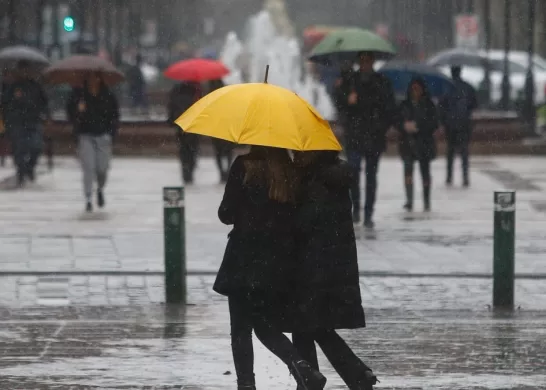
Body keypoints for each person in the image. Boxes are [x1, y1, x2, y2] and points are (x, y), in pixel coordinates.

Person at [214, 146, 327, 390]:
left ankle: (247, 384)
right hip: (277, 262)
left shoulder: (244, 166)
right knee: (265, 325)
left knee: (241, 329)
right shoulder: (289, 170)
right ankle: (302, 366)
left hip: (244, 259)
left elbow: (226, 213)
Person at [287, 150, 378, 390]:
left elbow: (305, 221)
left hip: (311, 264)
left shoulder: (316, 180)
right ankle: (352, 375)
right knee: (312, 324)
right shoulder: (334, 176)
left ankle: (318, 379)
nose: (295, 156)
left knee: (305, 322)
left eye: (299, 152)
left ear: (313, 154)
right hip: (334, 263)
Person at [341, 52, 396, 228]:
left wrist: (381, 126)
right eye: (362, 60)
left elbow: (389, 107)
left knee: (371, 176)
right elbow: (340, 104)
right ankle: (356, 208)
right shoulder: (350, 81)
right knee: (354, 173)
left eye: (368, 60)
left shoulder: (381, 82)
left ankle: (368, 213)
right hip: (355, 135)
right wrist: (347, 100)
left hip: (374, 135)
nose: (365, 64)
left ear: (372, 61)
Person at [66, 73, 119, 212]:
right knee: (88, 168)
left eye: (96, 77)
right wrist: (78, 111)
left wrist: (112, 133)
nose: (93, 80)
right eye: (90, 77)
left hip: (103, 136)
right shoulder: (79, 95)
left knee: (102, 168)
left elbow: (115, 116)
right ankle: (88, 197)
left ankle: (100, 188)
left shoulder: (107, 95)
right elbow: (70, 114)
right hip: (85, 135)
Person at [1, 61, 48, 186]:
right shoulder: (13, 87)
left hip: (34, 120)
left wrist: (43, 114)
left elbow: (44, 102)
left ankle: (29, 168)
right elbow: (5, 103)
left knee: (36, 147)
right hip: (17, 122)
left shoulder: (36, 86)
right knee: (20, 148)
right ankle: (21, 172)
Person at [397, 78, 439, 212]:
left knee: (425, 172)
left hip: (424, 143)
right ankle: (409, 200)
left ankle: (426, 200)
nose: (415, 92)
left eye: (418, 88)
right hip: (407, 143)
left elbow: (434, 123)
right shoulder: (404, 105)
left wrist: (420, 127)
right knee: (408, 171)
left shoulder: (428, 105)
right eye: (413, 89)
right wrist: (404, 126)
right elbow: (396, 120)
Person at [439, 65, 477, 187]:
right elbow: (474, 104)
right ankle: (465, 177)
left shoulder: (446, 87)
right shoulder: (468, 87)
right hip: (464, 123)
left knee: (450, 151)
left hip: (450, 124)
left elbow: (441, 106)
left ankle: (449, 177)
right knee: (464, 151)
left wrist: (443, 120)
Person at [167, 82, 201, 184]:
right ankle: (190, 169)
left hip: (180, 128)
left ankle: (185, 171)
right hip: (193, 128)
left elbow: (171, 112)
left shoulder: (176, 97)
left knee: (183, 150)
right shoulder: (195, 96)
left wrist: (172, 122)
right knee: (193, 150)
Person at [207, 79, 234, 182]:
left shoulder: (211, 96)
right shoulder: (227, 94)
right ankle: (227, 171)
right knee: (228, 152)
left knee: (218, 152)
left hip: (216, 129)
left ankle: (222, 172)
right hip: (227, 127)